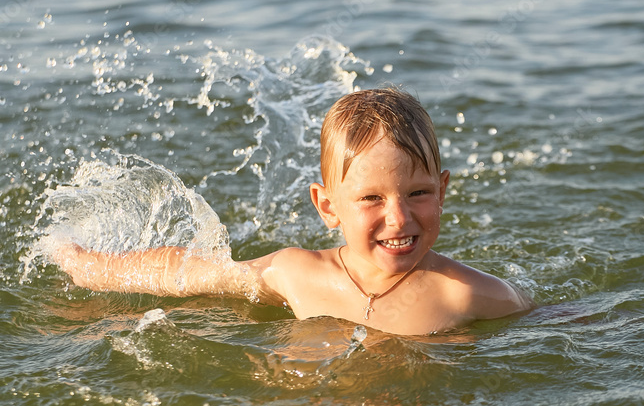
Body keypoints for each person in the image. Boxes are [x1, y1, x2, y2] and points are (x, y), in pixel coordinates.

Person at [53, 87, 533, 335]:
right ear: (328, 207)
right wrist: (89, 265)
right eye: (371, 198)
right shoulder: (297, 275)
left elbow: (554, 327)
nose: (399, 218)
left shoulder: (468, 296)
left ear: (443, 191)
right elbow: (190, 273)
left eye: (418, 193)